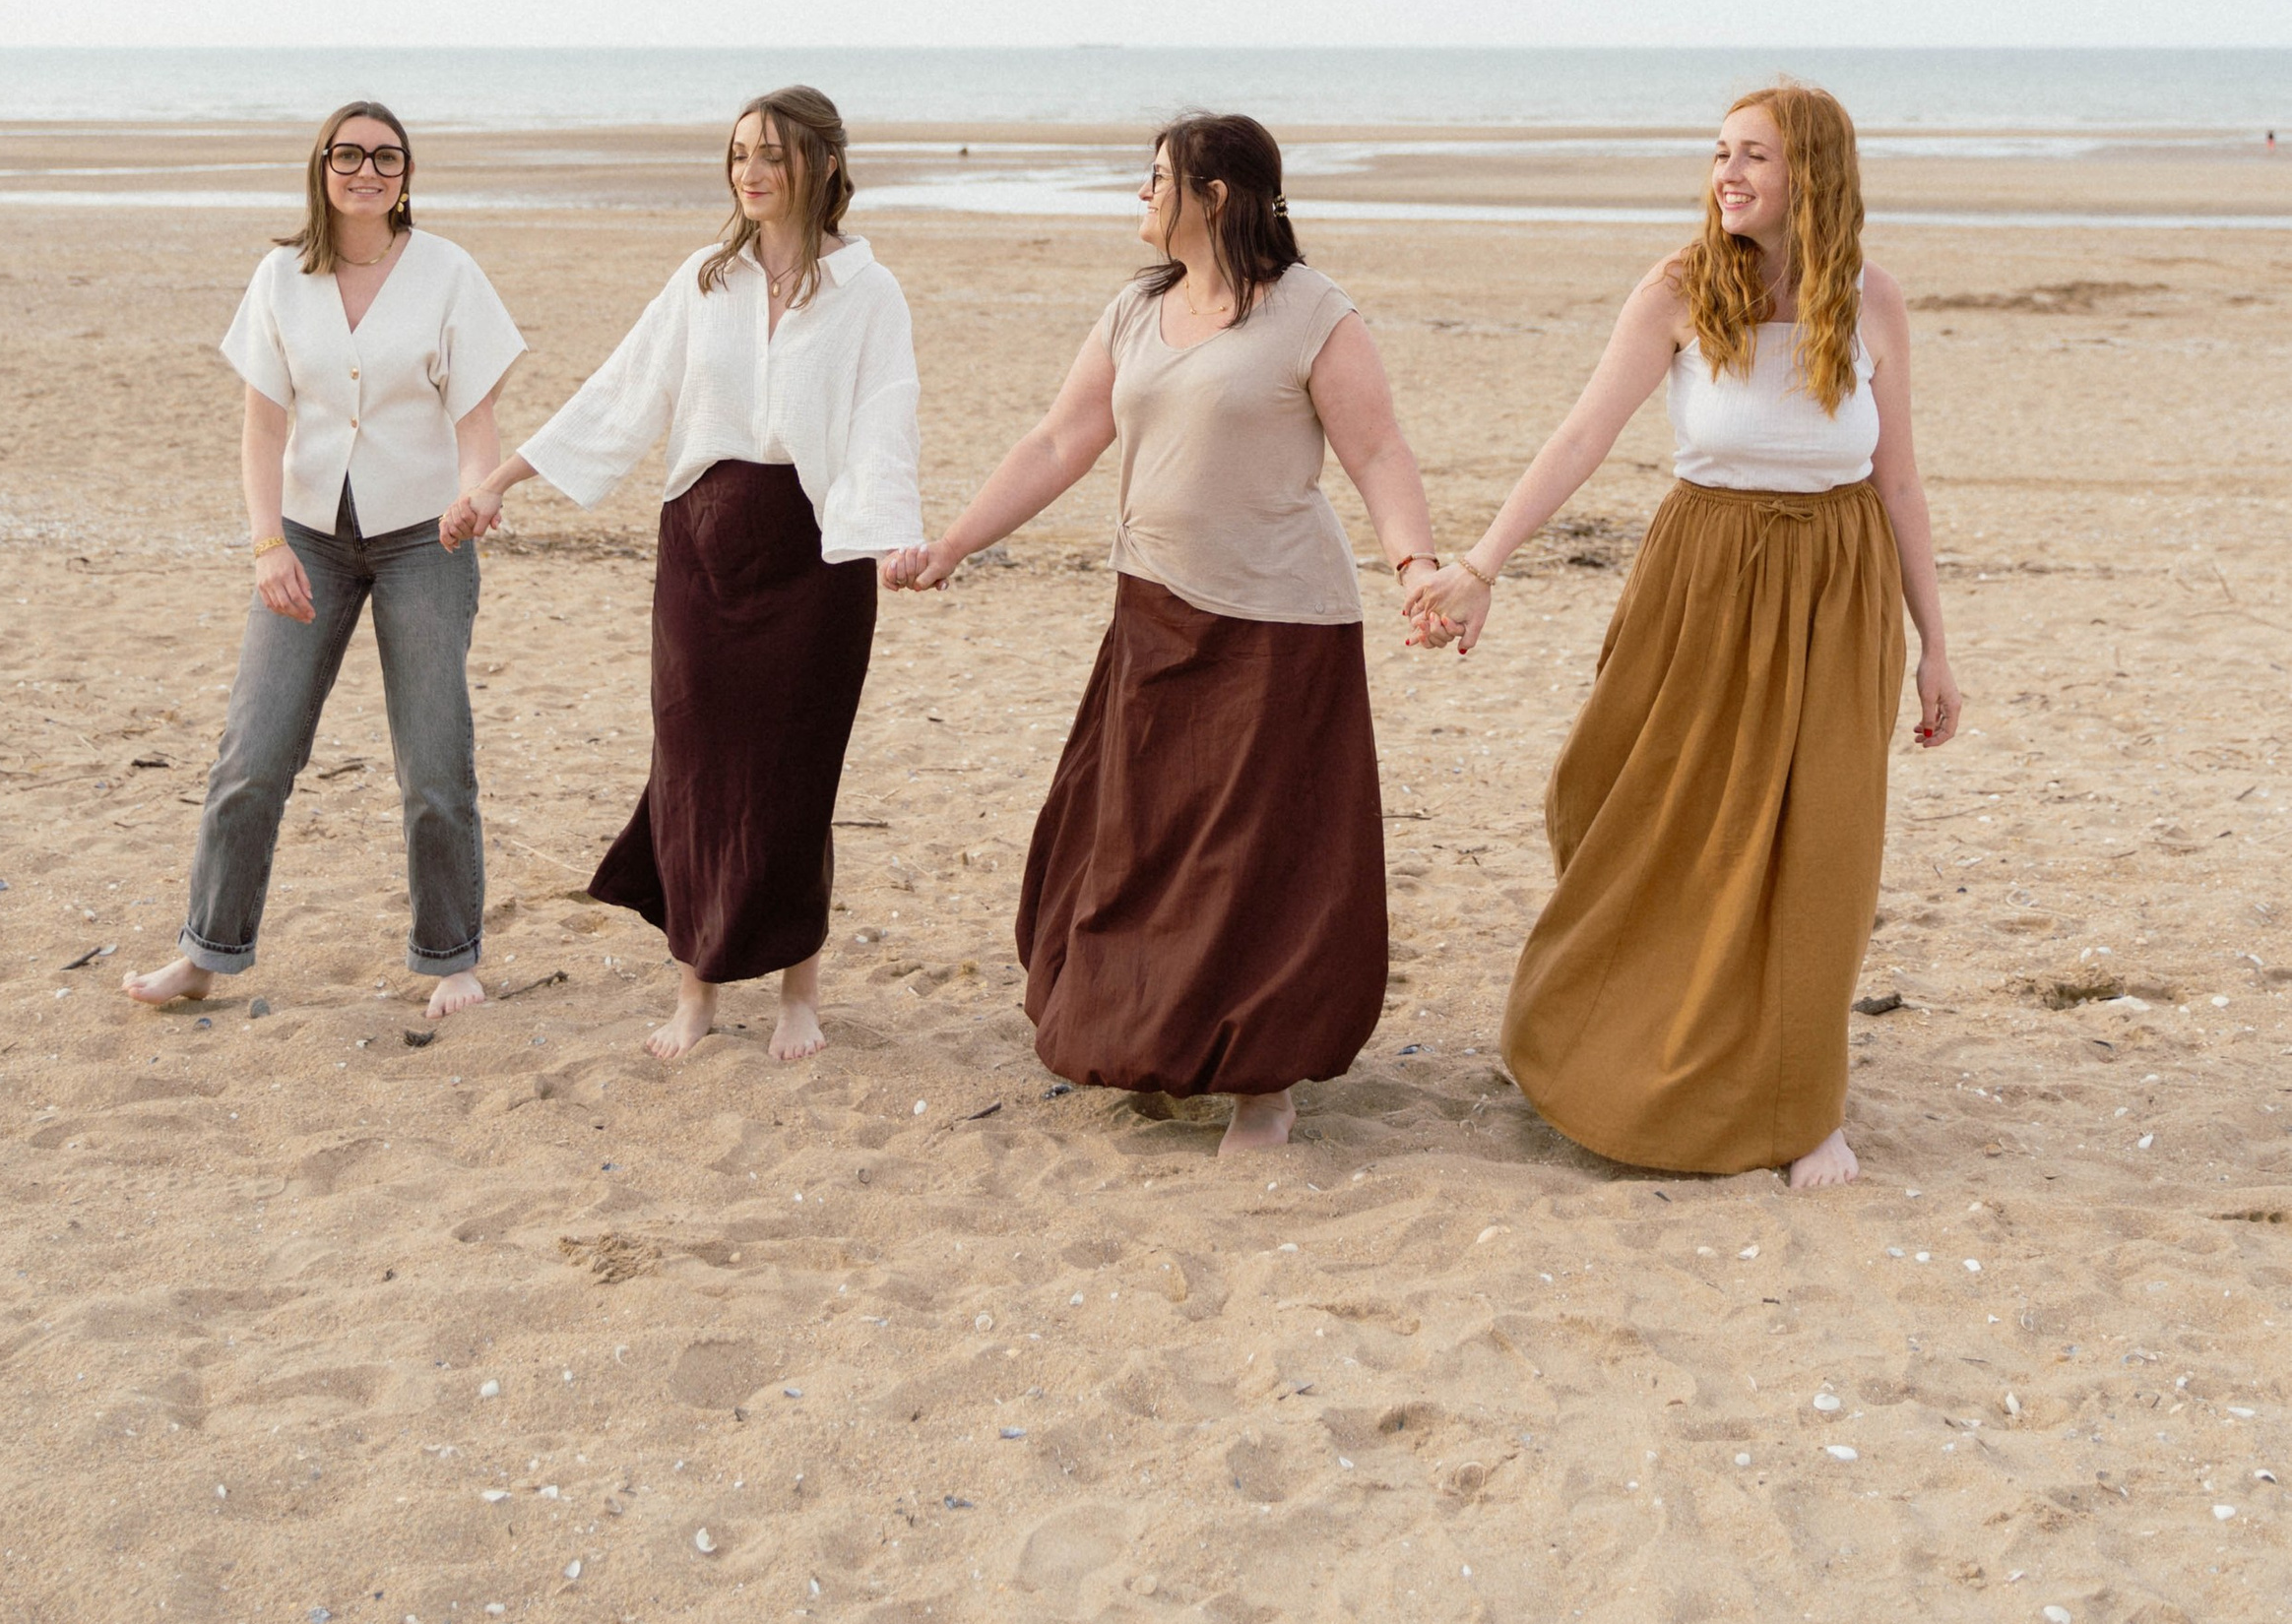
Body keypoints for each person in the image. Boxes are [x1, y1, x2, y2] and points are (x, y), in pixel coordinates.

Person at [1404, 80, 1961, 1188]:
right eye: (1718, 155)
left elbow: (1897, 481)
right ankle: (1608, 1048)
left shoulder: (1873, 301)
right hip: (1700, 581)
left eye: (1752, 155)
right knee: (1631, 807)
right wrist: (1478, 566)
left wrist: (1935, 644)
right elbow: (1579, 437)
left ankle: (1805, 1109)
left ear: (1811, 172)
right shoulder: (1672, 290)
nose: (1727, 175)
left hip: (1836, 594)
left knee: (1820, 850)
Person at [884, 113, 1437, 1160]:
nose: (1137, 197)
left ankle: (1263, 1087)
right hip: (1152, 612)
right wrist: (951, 543)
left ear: (1214, 196)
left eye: (1154, 180)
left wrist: (1413, 566)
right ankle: (1151, 1041)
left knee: (1257, 864)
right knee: (1132, 847)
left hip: (1279, 625)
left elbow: (1377, 452)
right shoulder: (1136, 310)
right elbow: (1056, 442)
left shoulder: (1312, 314)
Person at [447, 89, 919, 1066]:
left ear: (823, 166)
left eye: (772, 155)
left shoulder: (869, 293)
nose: (749, 172)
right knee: (692, 771)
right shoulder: (704, 280)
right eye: (739, 153)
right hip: (701, 554)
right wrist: (498, 477)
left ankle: (798, 992)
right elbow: (619, 393)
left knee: (797, 777)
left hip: (816, 560)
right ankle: (695, 993)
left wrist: (888, 534)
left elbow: (884, 417)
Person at [125, 102, 523, 1021]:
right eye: (348, 155)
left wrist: (478, 492)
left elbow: (475, 423)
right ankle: (206, 952)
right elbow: (262, 429)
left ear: (406, 173)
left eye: (386, 157)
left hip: (428, 535)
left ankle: (451, 957)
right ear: (322, 168)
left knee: (434, 761)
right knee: (252, 755)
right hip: (306, 535)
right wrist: (267, 545)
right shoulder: (279, 278)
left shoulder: (449, 274)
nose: (366, 170)